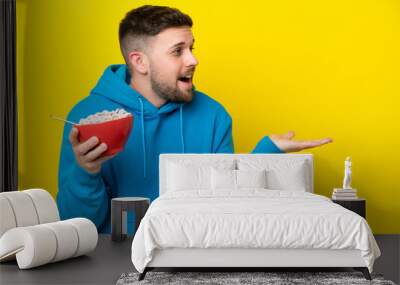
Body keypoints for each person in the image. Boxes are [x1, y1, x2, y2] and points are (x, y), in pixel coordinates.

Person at [57, 5, 332, 233]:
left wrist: (265, 154)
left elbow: (224, 207)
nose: (193, 60)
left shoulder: (213, 116)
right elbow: (78, 226)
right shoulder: (87, 118)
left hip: (192, 255)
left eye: (191, 47)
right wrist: (86, 173)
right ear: (140, 62)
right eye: (178, 51)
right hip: (116, 258)